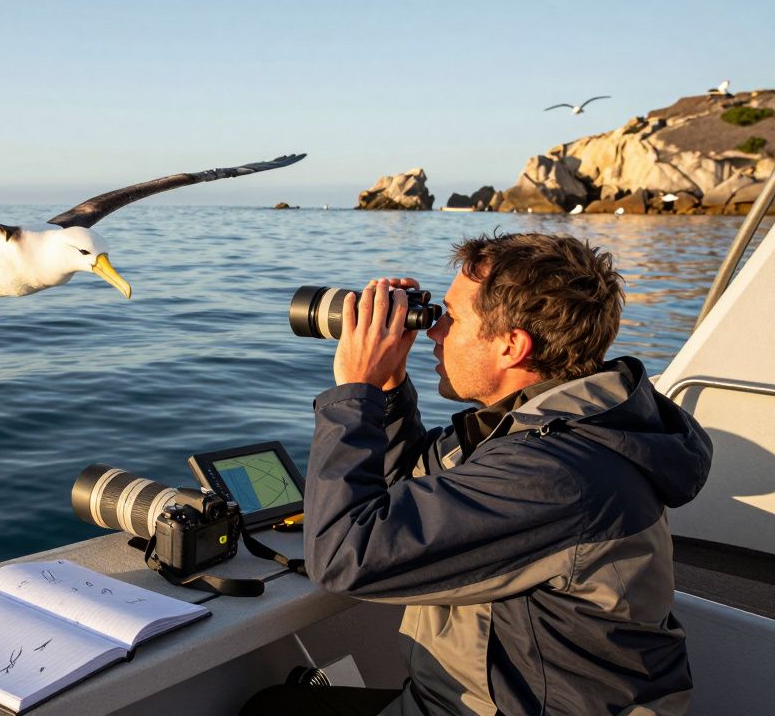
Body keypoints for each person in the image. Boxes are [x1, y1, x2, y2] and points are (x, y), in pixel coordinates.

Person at [241, 232, 711, 716]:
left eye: (450, 317)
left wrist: (354, 391)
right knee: (277, 706)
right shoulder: (556, 425)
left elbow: (344, 557)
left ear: (512, 346)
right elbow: (412, 489)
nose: (434, 331)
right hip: (470, 701)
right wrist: (388, 386)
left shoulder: (556, 474)